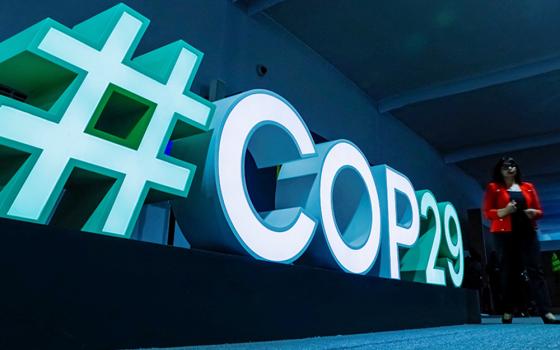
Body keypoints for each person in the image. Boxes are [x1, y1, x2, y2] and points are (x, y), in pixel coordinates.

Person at [482, 156, 559, 324]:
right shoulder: (493, 188)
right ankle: (508, 310)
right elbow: (488, 213)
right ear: (499, 170)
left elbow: (540, 211)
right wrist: (504, 210)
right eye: (505, 166)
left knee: (536, 271)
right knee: (508, 272)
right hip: (504, 234)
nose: (510, 168)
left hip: (528, 232)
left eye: (512, 165)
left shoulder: (528, 187)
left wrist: (534, 213)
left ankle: (546, 312)